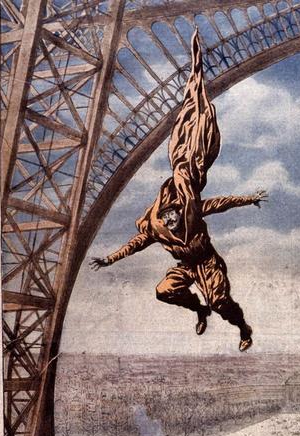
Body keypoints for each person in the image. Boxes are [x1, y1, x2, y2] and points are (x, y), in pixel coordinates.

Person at [88, 32, 265, 352]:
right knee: (163, 291)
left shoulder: (191, 211)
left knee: (222, 302)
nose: (170, 219)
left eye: (172, 213)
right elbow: (135, 244)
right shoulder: (157, 223)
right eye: (168, 215)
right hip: (187, 266)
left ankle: (244, 328)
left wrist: (248, 199)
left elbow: (219, 203)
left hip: (207, 262)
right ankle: (198, 310)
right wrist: (111, 259)